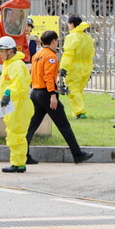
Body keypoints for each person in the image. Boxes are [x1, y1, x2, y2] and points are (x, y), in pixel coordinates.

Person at [25, 30, 93, 165]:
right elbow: (49, 77)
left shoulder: (36, 55)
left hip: (35, 92)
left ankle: (23, 154)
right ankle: (77, 154)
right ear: (54, 41)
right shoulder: (51, 57)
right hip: (46, 93)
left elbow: (32, 74)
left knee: (32, 126)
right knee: (64, 125)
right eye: (57, 41)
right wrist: (52, 95)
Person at [0, 36, 32, 173]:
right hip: (13, 104)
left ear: (10, 51)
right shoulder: (10, 64)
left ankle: (18, 163)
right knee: (13, 134)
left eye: (1, 51)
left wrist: (8, 93)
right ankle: (17, 162)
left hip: (19, 105)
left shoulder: (16, 65)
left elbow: (19, 83)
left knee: (16, 135)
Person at [60, 14, 94, 119]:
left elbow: (68, 54)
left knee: (73, 90)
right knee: (79, 90)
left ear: (72, 24)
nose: (68, 26)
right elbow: (91, 54)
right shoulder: (88, 38)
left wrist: (63, 68)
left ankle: (80, 112)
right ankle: (79, 111)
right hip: (86, 67)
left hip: (74, 67)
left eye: (69, 24)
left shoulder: (71, 37)